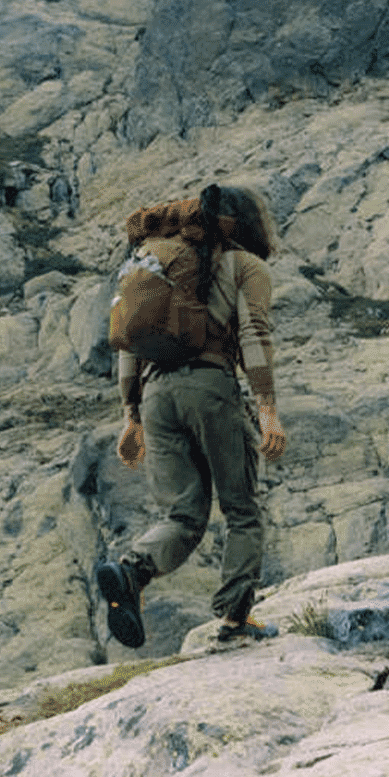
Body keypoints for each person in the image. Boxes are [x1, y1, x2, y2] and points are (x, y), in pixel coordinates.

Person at [95, 184, 288, 646]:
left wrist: (131, 416)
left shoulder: (159, 263)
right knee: (242, 511)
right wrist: (266, 408)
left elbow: (128, 343)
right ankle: (235, 620)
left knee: (183, 515)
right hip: (209, 387)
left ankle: (132, 570)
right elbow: (253, 334)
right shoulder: (245, 266)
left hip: (157, 396)